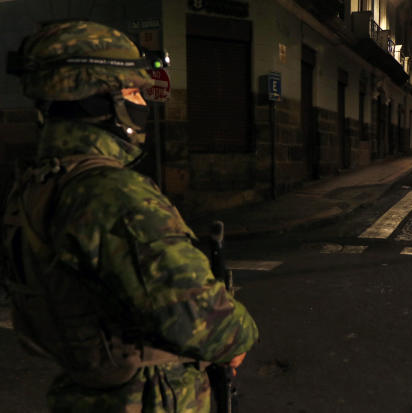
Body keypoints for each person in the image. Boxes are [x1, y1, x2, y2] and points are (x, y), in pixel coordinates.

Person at [1, 20, 258, 412]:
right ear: (99, 100)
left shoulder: (36, 185)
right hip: (146, 400)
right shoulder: (112, 194)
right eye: (134, 92)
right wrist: (240, 338)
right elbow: (199, 315)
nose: (142, 104)